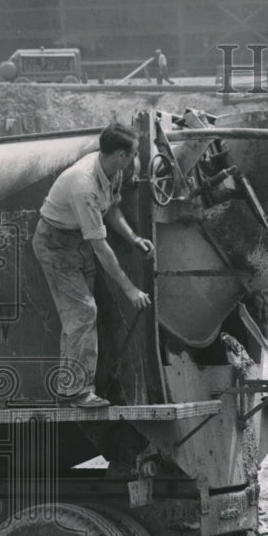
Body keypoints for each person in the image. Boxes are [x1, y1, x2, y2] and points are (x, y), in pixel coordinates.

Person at [32, 122, 154, 408]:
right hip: (56, 246)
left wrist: (133, 238)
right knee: (83, 312)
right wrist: (130, 290)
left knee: (78, 317)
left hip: (77, 243)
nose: (137, 158)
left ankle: (69, 385)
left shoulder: (113, 169)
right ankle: (76, 392)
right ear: (121, 154)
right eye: (135, 152)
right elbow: (100, 246)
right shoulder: (83, 184)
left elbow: (111, 207)